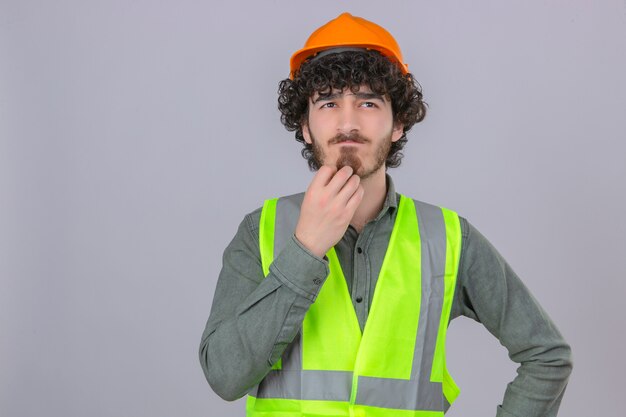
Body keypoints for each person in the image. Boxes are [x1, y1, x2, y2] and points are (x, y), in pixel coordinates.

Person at [199, 12, 572, 417]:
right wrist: (305, 250)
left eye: (368, 102)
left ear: (398, 123)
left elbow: (547, 356)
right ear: (305, 126)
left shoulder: (446, 238)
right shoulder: (261, 232)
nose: (347, 121)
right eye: (328, 102)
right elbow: (224, 376)